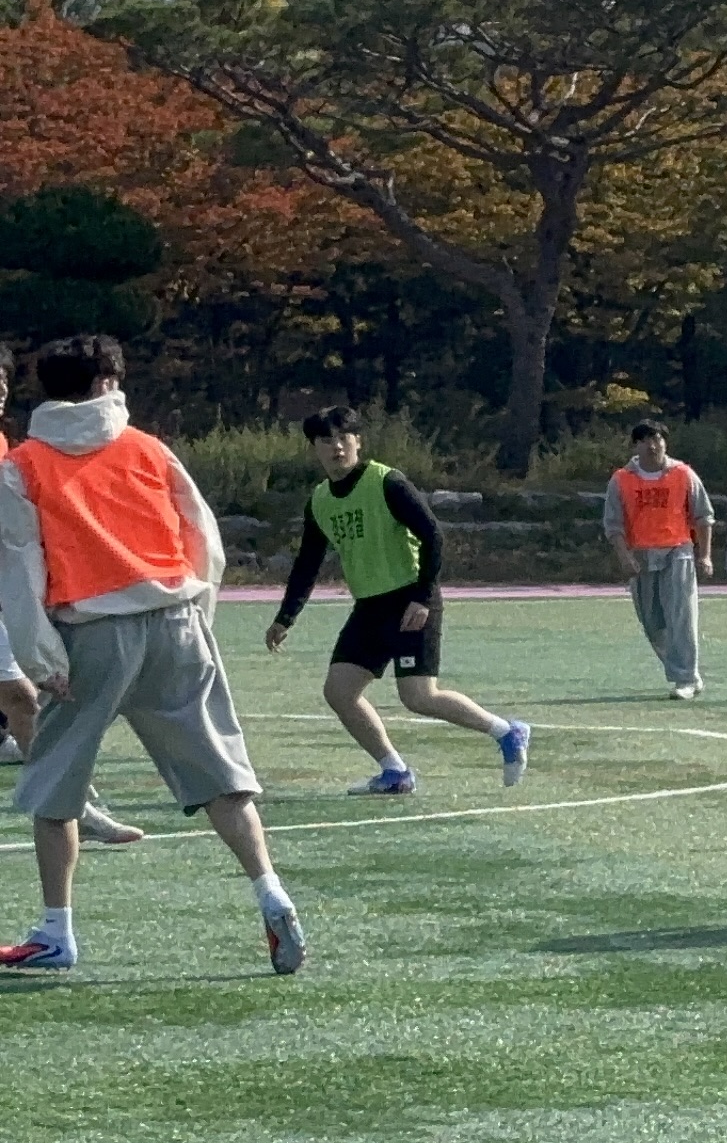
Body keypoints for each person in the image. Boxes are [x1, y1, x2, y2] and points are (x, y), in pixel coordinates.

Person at [0, 335, 304, 974]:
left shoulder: (23, 464)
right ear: (108, 382)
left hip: (90, 633)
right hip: (176, 619)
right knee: (221, 777)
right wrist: (198, 615)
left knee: (54, 790)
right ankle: (270, 890)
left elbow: (21, 565)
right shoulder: (149, 448)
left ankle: (56, 931)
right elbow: (204, 538)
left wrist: (40, 657)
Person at [265, 407, 530, 793]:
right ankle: (395, 771)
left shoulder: (387, 482)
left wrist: (422, 597)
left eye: (344, 438)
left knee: (419, 697)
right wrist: (285, 617)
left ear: (358, 441)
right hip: (369, 608)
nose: (337, 447)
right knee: (339, 692)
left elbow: (433, 535)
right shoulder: (320, 499)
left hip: (410, 600)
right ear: (314, 448)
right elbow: (308, 562)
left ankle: (507, 732)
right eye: (326, 440)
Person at [0, 345, 145, 849]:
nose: (0, 387)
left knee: (23, 698)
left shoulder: (9, 444)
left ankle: (75, 807)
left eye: (3, 378)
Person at [603, 419, 717, 699]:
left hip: (677, 551)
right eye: (645, 440)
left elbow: (703, 517)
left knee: (681, 617)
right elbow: (613, 525)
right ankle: (685, 671)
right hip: (641, 556)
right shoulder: (621, 480)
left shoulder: (683, 474)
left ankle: (685, 678)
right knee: (653, 623)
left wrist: (704, 555)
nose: (652, 446)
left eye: (657, 439)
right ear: (635, 446)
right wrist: (624, 557)